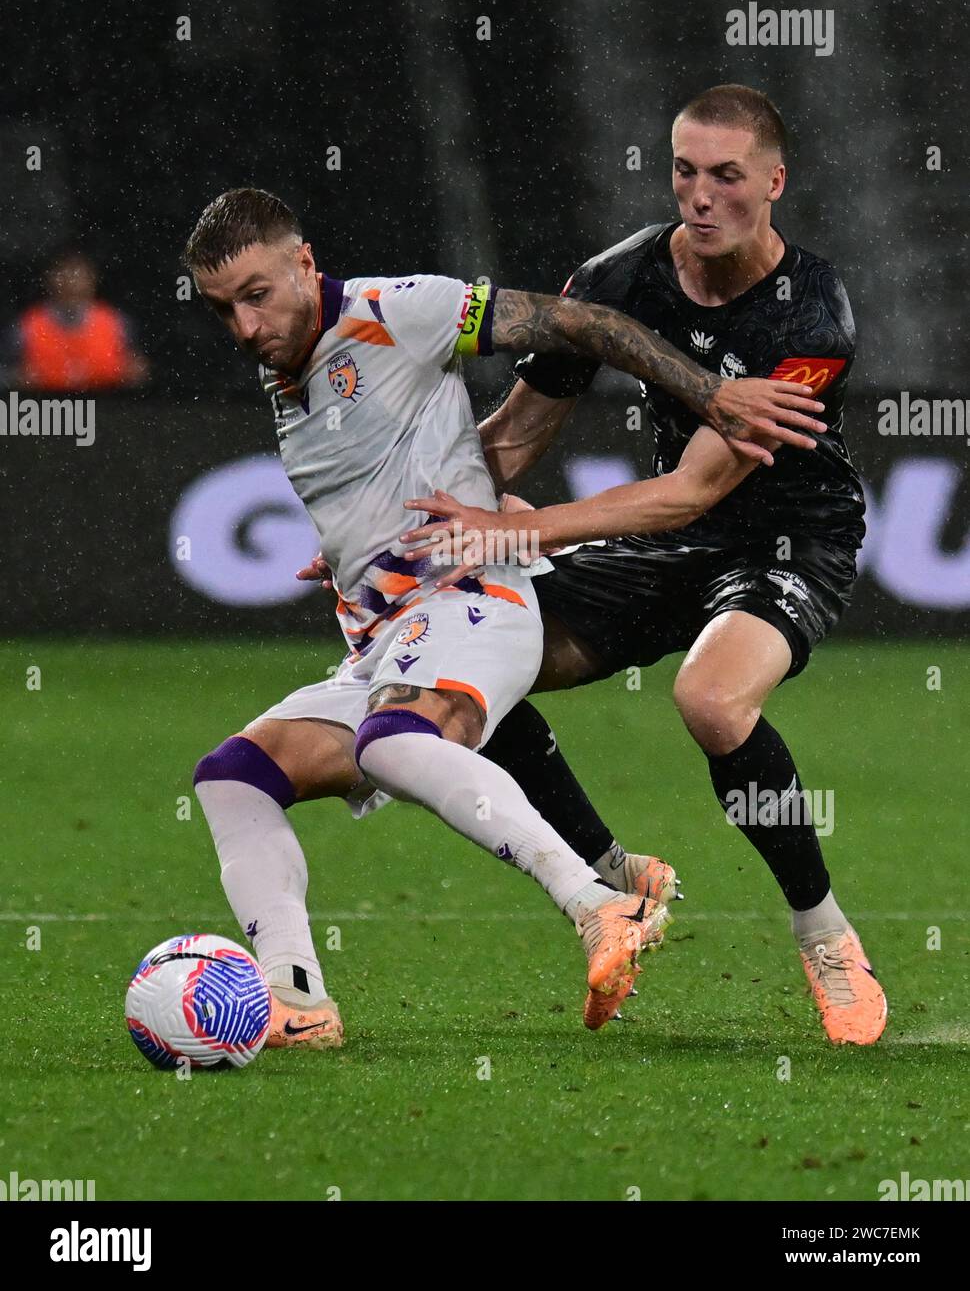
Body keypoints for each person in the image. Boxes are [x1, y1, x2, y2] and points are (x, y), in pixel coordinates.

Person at [184, 186, 822, 1048]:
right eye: (224, 309)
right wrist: (353, 550)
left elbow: (580, 324)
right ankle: (295, 999)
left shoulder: (397, 310)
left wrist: (711, 395)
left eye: (258, 294)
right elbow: (390, 456)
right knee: (232, 777)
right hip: (385, 639)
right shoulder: (286, 367)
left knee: (396, 743)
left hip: (473, 601)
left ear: (305, 263)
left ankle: (600, 906)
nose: (246, 326)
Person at [397, 84, 887, 1047]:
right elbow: (509, 437)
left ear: (774, 183)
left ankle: (825, 935)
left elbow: (693, 491)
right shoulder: (617, 280)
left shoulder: (811, 315)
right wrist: (386, 539)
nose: (699, 196)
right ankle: (617, 877)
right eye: (683, 171)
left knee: (712, 702)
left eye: (727, 177)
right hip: (663, 547)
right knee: (466, 672)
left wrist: (526, 533)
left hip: (788, 536)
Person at [7, 248, 149, 390]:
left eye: (78, 275)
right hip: (46, 406)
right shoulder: (27, 326)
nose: (71, 283)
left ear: (93, 279)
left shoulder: (116, 323)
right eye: (64, 275)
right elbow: (9, 373)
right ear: (48, 279)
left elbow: (138, 369)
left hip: (109, 404)